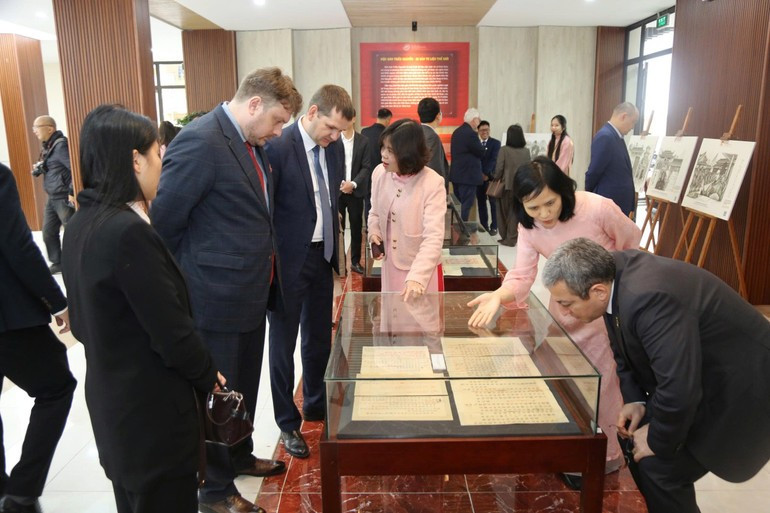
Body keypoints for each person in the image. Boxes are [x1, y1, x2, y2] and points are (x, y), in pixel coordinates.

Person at [152, 67, 302, 513]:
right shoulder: (200, 141)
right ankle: (215, 489)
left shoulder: (251, 143)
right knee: (218, 397)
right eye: (277, 120)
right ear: (254, 104)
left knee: (242, 387)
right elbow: (165, 226)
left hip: (252, 292)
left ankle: (238, 455)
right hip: (215, 298)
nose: (279, 132)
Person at [61, 104, 222, 513]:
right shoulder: (128, 233)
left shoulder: (81, 223)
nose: (161, 163)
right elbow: (171, 332)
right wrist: (209, 375)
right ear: (135, 160)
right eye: (157, 153)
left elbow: (81, 323)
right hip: (151, 418)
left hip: (114, 407)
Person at [541, 238, 770, 513]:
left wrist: (657, 440)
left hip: (743, 386)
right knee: (634, 443)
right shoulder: (609, 274)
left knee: (659, 468)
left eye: (567, 303)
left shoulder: (649, 298)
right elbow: (620, 345)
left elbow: (678, 388)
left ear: (598, 291)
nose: (564, 312)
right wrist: (635, 400)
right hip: (699, 377)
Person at [467, 157, 641, 480]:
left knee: (603, 384)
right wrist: (498, 296)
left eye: (550, 203)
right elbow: (522, 275)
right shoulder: (529, 227)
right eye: (533, 207)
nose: (544, 214)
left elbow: (632, 246)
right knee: (562, 378)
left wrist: (617, 297)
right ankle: (568, 448)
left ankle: (604, 455)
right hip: (564, 312)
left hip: (602, 312)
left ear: (564, 191)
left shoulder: (597, 208)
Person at [265, 85, 353, 459]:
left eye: (340, 132)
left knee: (318, 338)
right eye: (331, 128)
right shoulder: (278, 146)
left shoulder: (333, 149)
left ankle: (316, 404)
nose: (334, 137)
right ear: (313, 112)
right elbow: (267, 209)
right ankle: (287, 422)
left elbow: (332, 201)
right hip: (288, 262)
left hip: (322, 257)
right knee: (283, 344)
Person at [0, 163, 76, 513]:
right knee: (56, 387)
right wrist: (57, 301)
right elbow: (17, 245)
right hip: (9, 316)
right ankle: (22, 491)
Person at [368, 119, 445, 298]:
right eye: (383, 147)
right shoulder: (379, 173)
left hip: (420, 270)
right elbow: (374, 212)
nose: (383, 155)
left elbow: (433, 237)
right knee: (392, 312)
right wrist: (374, 232)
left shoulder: (432, 183)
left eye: (390, 150)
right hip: (390, 266)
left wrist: (417, 277)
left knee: (418, 313)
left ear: (408, 154)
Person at [30, 116, 75, 274]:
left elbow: (74, 169)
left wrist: (71, 191)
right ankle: (58, 262)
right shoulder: (48, 146)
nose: (34, 131)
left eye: (37, 127)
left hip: (63, 196)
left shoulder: (61, 145)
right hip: (52, 196)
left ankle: (74, 263)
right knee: (48, 231)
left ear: (50, 128)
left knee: (71, 232)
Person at [585, 102, 638, 218]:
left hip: (616, 203)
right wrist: (588, 195)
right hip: (609, 202)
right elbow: (594, 172)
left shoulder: (616, 136)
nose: (633, 127)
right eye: (633, 122)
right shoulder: (606, 136)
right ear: (624, 116)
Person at [339, 109, 372, 275]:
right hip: (338, 192)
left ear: (353, 119)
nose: (344, 122)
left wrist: (353, 184)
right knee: (338, 229)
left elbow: (366, 167)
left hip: (356, 192)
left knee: (356, 228)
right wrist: (341, 184)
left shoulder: (363, 141)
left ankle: (355, 262)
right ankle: (339, 264)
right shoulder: (333, 140)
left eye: (347, 118)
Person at [493, 124, 530, 246]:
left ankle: (506, 237)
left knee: (502, 212)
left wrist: (495, 177)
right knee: (515, 212)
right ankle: (512, 237)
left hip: (505, 186)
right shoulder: (526, 151)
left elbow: (499, 168)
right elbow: (528, 169)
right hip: (520, 186)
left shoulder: (504, 150)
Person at [449, 108, 484, 224]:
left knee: (458, 205)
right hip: (468, 177)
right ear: (474, 120)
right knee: (466, 205)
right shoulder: (471, 134)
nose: (479, 122)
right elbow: (480, 152)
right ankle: (462, 229)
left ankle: (456, 228)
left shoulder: (456, 132)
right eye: (479, 120)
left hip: (457, 176)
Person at [361, 108, 393, 219]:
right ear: (388, 119)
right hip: (384, 173)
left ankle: (370, 227)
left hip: (366, 174)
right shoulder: (388, 134)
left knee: (369, 204)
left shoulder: (364, 132)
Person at [417, 97, 448, 189]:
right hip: (431, 189)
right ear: (438, 115)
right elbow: (434, 167)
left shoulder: (417, 132)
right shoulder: (432, 137)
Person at [477, 120, 500, 235]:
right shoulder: (475, 143)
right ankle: (484, 226)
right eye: (482, 130)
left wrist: (485, 174)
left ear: (489, 130)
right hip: (478, 179)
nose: (484, 132)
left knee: (493, 203)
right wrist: (480, 174)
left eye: (486, 130)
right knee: (481, 204)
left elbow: (494, 159)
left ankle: (494, 226)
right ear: (478, 131)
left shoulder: (496, 143)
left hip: (491, 178)